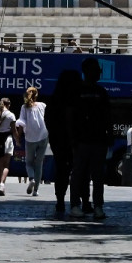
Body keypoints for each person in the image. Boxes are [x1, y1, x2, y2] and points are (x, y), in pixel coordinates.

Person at [68, 57, 113, 219]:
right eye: (96, 70)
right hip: (82, 139)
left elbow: (108, 116)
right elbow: (71, 116)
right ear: (88, 71)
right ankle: (76, 204)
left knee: (96, 175)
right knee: (80, 173)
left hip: (97, 139)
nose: (99, 73)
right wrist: (73, 137)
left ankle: (97, 205)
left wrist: (109, 134)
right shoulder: (78, 91)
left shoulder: (101, 92)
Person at [45, 70, 82, 214]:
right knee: (79, 171)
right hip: (74, 140)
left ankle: (60, 200)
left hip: (58, 140)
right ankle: (78, 202)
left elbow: (48, 120)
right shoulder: (77, 99)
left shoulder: (54, 100)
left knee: (61, 170)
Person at [16, 86, 48, 196]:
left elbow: (21, 123)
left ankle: (31, 179)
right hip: (43, 136)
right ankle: (36, 191)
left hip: (30, 138)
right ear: (36, 95)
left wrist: (18, 137)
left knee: (29, 162)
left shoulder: (24, 107)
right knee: (39, 164)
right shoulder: (43, 105)